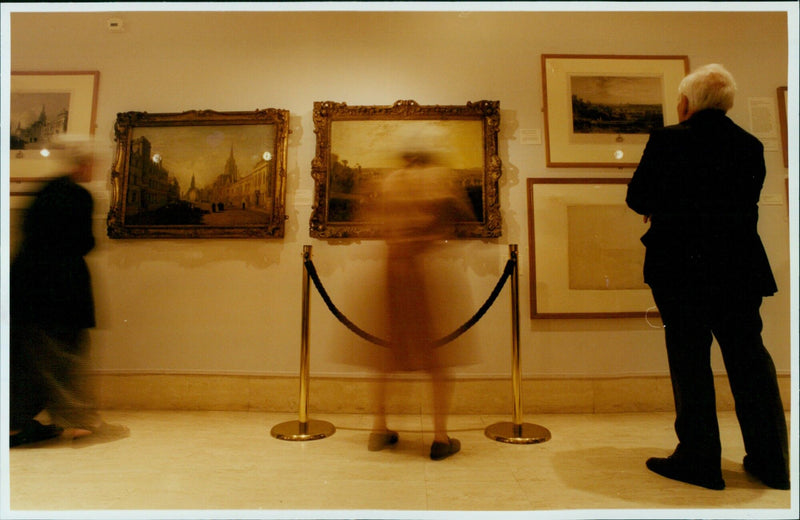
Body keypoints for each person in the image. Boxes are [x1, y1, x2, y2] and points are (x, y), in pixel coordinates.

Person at [626, 64, 789, 490]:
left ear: (686, 103)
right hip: (739, 268)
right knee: (749, 360)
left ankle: (700, 460)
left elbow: (637, 197)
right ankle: (772, 461)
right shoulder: (750, 146)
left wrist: (663, 206)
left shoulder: (667, 140)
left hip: (681, 269)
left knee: (690, 361)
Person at [362, 150, 477, 460]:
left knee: (386, 354)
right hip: (422, 270)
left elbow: (377, 221)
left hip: (392, 267)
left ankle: (379, 427)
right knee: (436, 357)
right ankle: (440, 436)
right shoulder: (434, 179)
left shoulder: (391, 181)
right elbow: (456, 215)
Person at [10, 143, 127, 447]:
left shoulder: (44, 191)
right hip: (61, 291)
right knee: (66, 358)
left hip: (25, 289)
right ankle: (79, 424)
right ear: (82, 165)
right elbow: (84, 242)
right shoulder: (77, 195)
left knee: (26, 360)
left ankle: (14, 424)